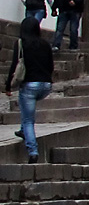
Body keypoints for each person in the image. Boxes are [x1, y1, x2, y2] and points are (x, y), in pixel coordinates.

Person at [5, 16, 54, 163]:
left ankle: (33, 151)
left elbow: (15, 66)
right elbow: (51, 65)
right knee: (26, 110)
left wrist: (8, 85)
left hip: (30, 85)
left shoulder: (21, 44)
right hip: (45, 85)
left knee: (28, 120)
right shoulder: (45, 44)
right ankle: (22, 130)